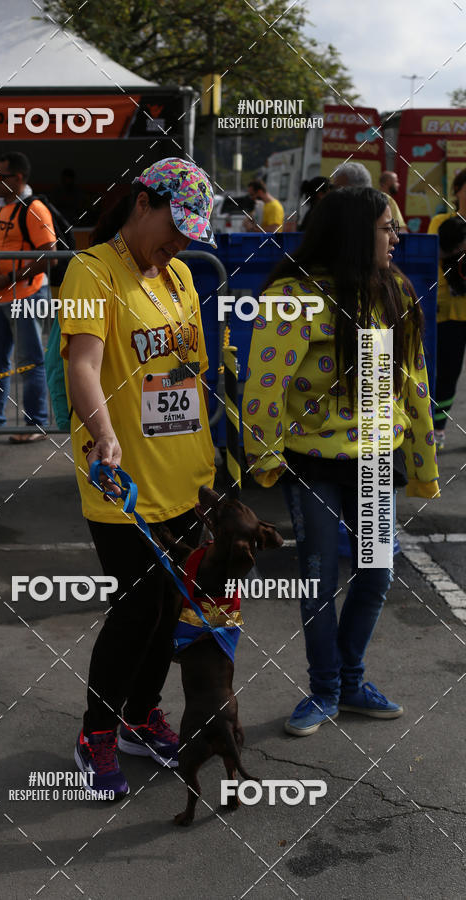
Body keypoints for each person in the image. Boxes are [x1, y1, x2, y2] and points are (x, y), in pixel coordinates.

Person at [242, 187, 439, 736]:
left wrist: (422, 462)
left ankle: (349, 682)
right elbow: (264, 386)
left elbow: (411, 381)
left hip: (375, 460)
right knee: (318, 579)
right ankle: (325, 689)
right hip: (313, 465)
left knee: (376, 575)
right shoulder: (292, 297)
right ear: (354, 233)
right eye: (387, 227)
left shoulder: (394, 289)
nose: (397, 237)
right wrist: (264, 456)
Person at [59, 157, 217, 798]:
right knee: (136, 609)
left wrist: (212, 458)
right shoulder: (91, 269)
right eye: (175, 227)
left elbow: (188, 372)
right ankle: (95, 734)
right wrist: (104, 434)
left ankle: (140, 715)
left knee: (171, 608)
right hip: (121, 479)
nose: (179, 243)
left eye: (190, 234)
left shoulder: (180, 276)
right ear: (142, 203)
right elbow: (83, 365)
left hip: (185, 475)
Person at [0, 152, 56, 442]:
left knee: (30, 361)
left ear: (18, 178)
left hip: (27, 295)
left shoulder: (34, 209)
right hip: (0, 295)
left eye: (2, 176)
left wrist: (10, 277)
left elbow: (50, 257)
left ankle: (36, 424)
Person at [427, 168, 466, 449]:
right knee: (447, 373)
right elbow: (433, 256)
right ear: (457, 191)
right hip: (449, 311)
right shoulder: (441, 221)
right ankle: (437, 430)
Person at [333, 162, 408, 232]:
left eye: (339, 189)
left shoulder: (385, 200)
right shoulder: (385, 200)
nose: (398, 184)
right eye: (396, 181)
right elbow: (401, 230)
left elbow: (400, 230)